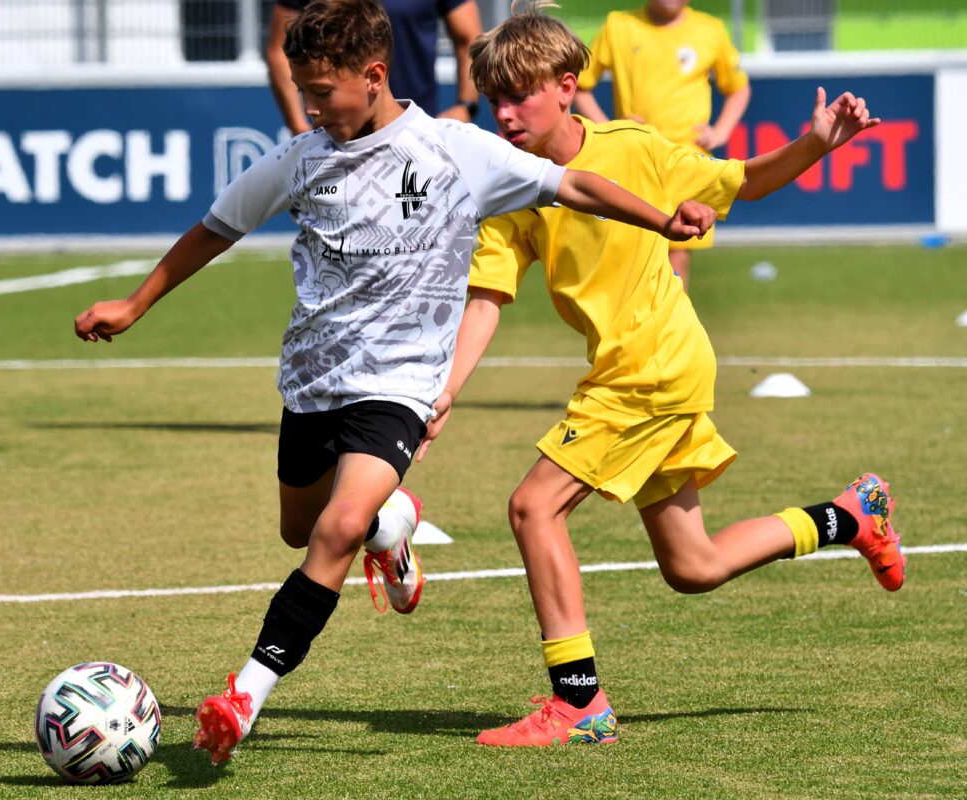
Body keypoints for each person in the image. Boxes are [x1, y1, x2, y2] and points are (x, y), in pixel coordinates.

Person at [75, 0, 707, 766]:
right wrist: (135, 304)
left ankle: (245, 694)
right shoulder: (301, 159)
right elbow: (216, 229)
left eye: (322, 92)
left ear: (374, 77)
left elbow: (572, 186)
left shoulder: (452, 150)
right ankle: (391, 528)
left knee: (335, 529)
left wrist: (659, 219)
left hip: (401, 382)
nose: (311, 107)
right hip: (314, 377)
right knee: (302, 530)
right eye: (304, 92)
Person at [416, 6, 903, 747]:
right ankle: (849, 515)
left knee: (532, 508)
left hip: (652, 368)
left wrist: (814, 143)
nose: (505, 113)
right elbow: (486, 300)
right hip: (641, 369)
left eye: (520, 95)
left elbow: (739, 180)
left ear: (567, 87)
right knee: (694, 566)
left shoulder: (634, 148)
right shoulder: (508, 190)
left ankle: (580, 704)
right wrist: (446, 390)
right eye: (495, 100)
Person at [573, 0, 751, 291]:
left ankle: (671, 330)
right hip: (635, 159)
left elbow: (738, 87)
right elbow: (581, 84)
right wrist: (608, 129)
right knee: (630, 252)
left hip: (687, 159)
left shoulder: (710, 30)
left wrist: (720, 132)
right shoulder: (619, 26)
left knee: (677, 255)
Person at [265, 0, 483, 133]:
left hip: (417, 127)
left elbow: (469, 38)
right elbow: (279, 49)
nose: (309, 108)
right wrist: (298, 125)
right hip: (336, 139)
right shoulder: (299, 158)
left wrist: (465, 106)